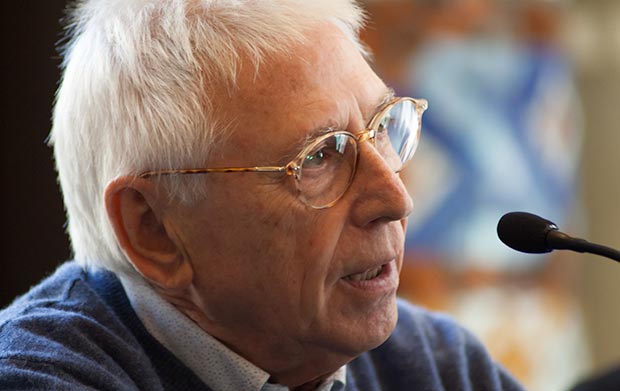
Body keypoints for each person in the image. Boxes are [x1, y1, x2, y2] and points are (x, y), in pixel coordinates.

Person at [0, 1, 525, 390]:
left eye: (382, 125)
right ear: (154, 230)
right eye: (319, 156)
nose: (397, 200)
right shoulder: (38, 377)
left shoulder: (436, 365)